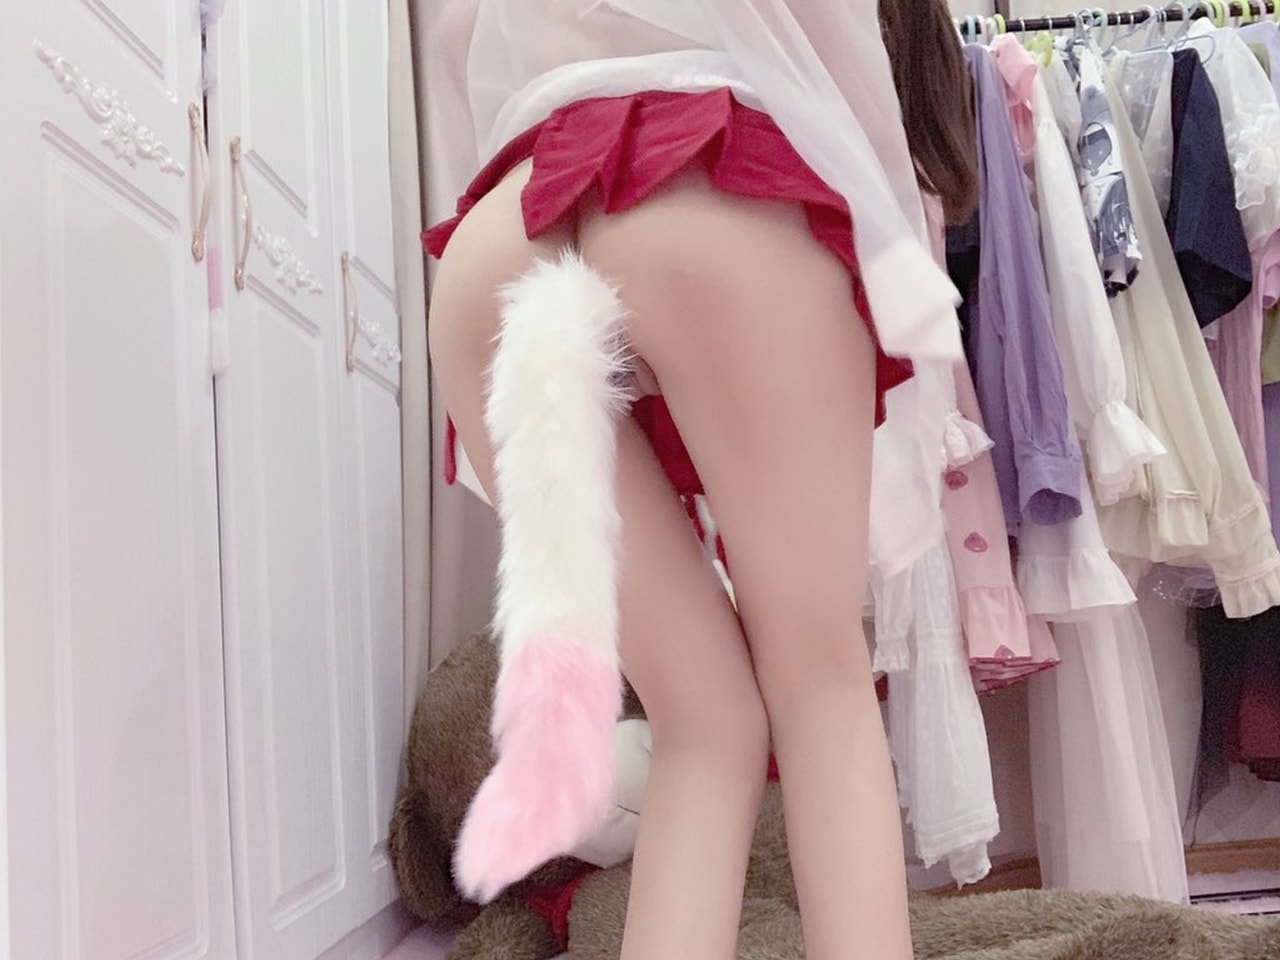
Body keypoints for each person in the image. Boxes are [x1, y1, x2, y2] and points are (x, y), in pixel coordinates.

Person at [421, 2, 978, 958]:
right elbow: (846, 70)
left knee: (700, 723)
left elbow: (450, 44)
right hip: (714, 168)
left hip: (501, 222)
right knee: (821, 687)